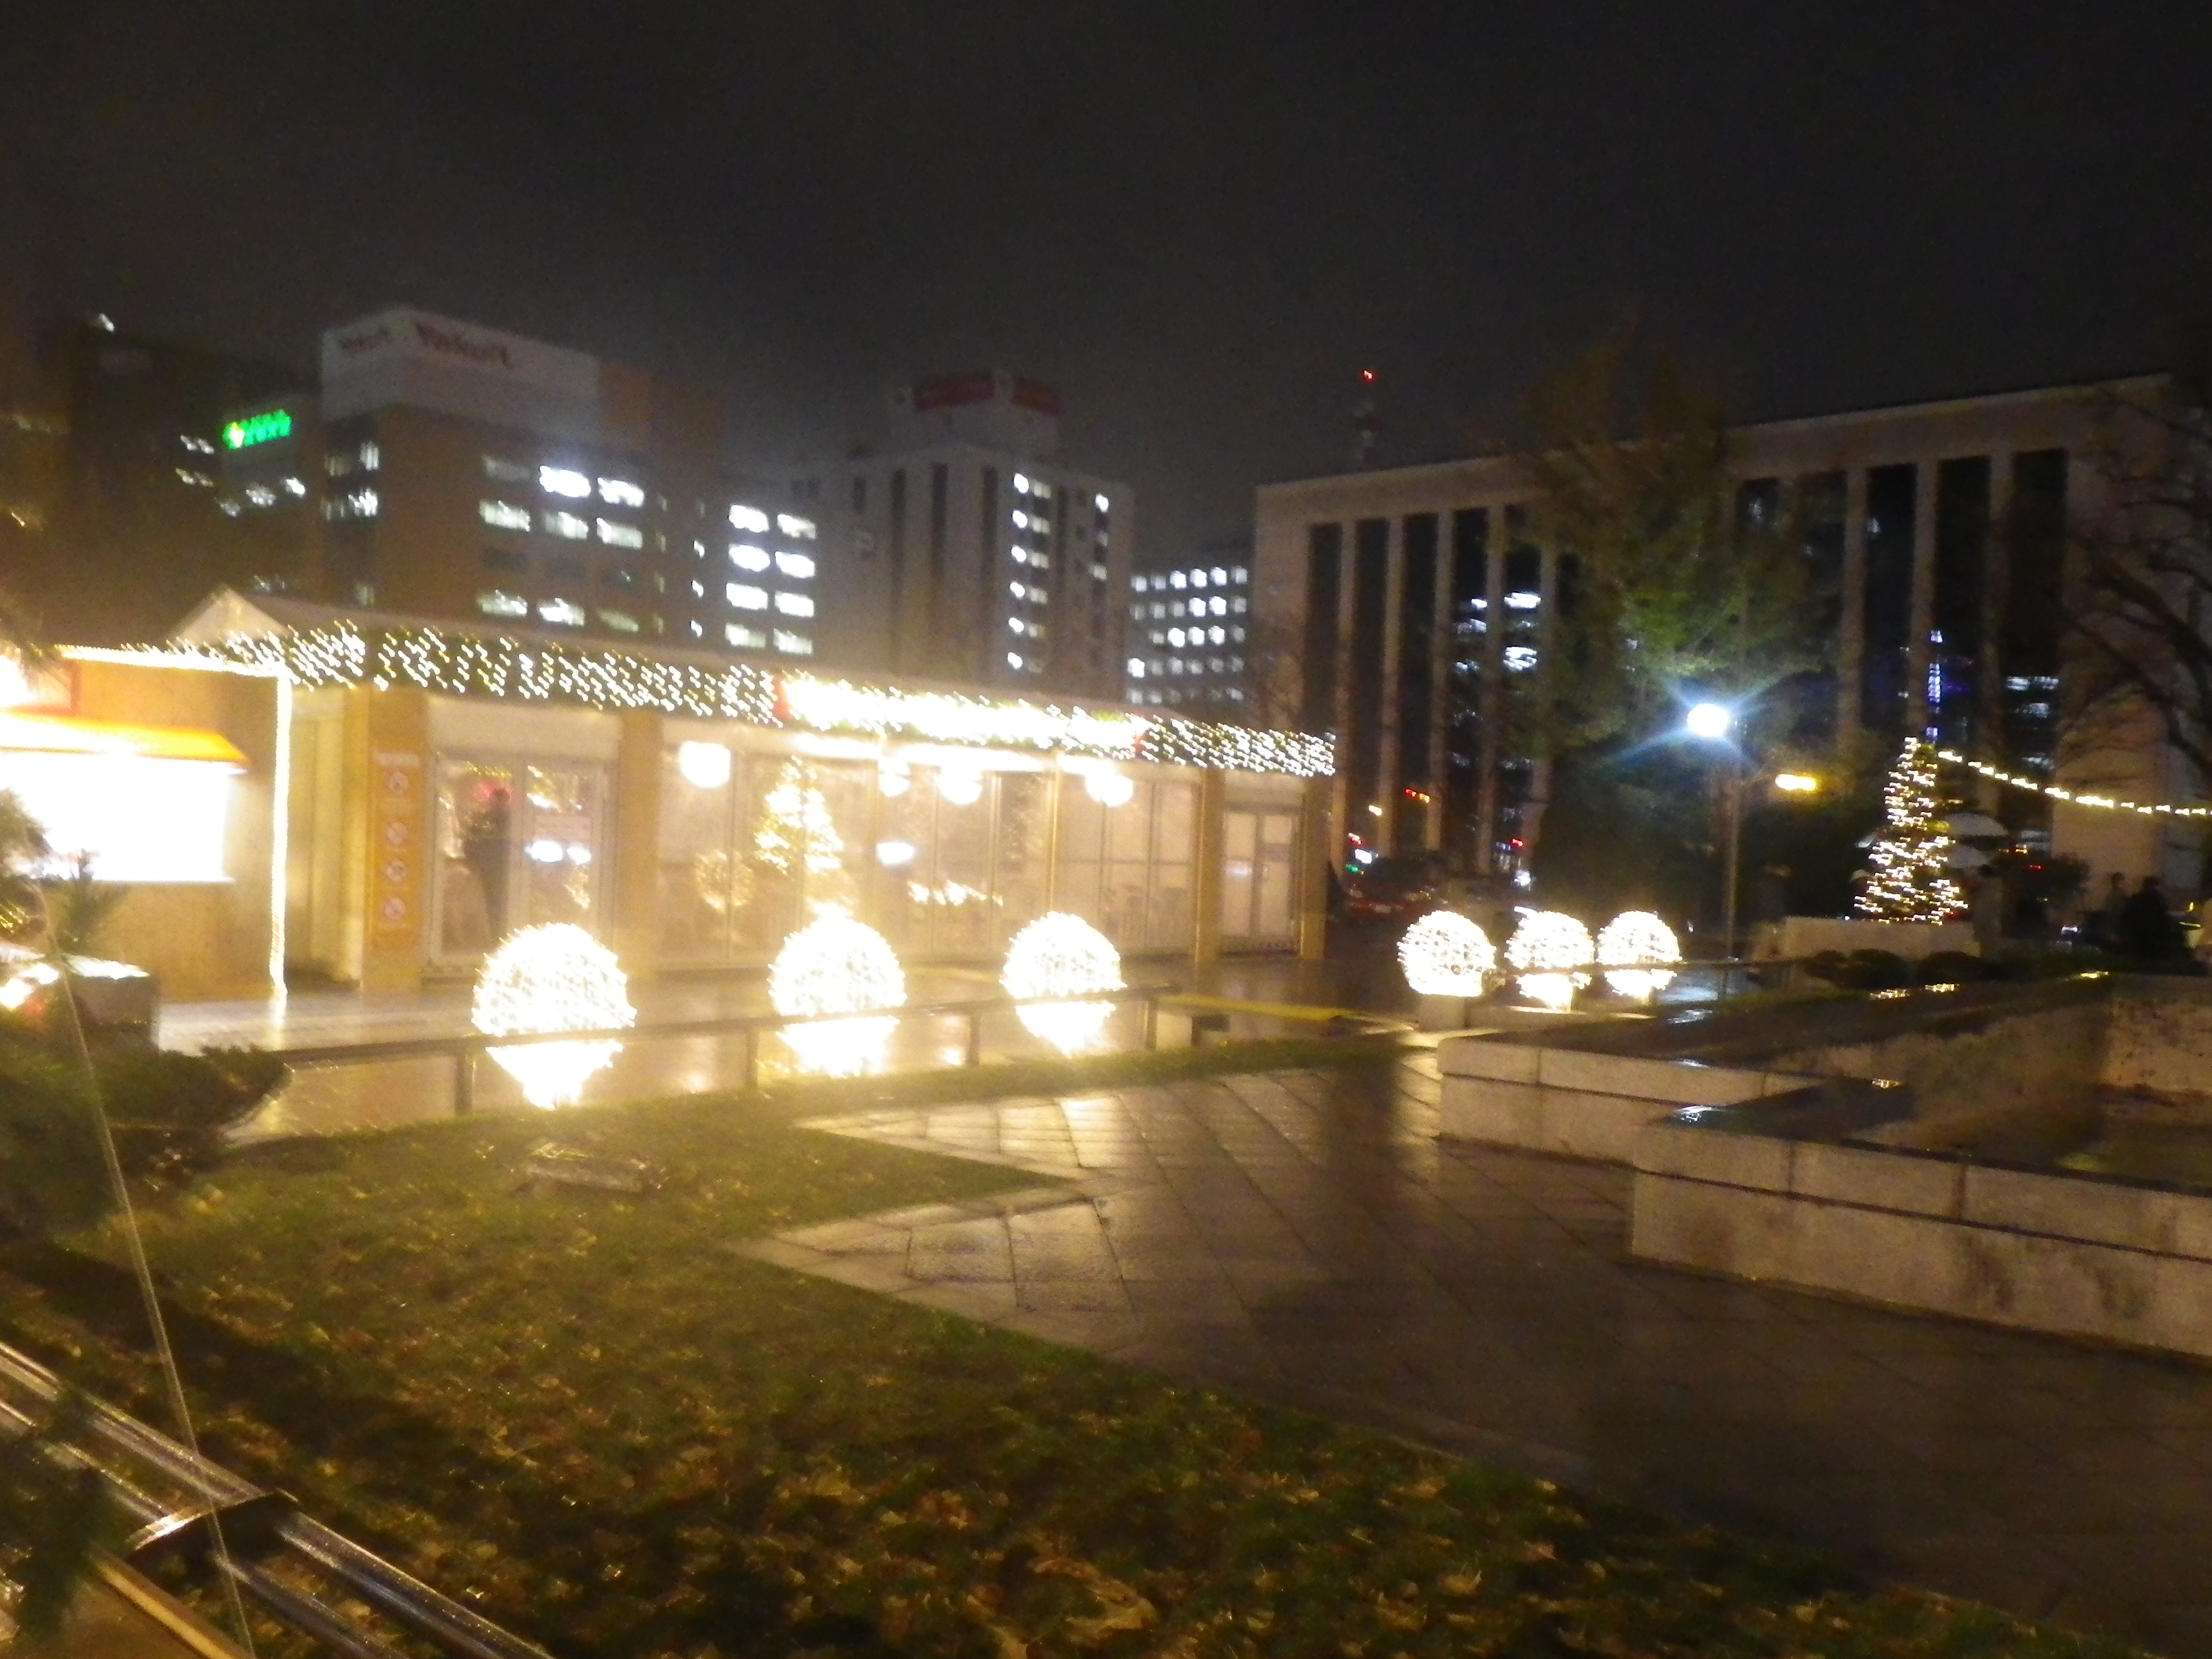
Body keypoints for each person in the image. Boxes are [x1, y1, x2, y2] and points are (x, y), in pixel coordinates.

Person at [2117, 874, 2181, 961]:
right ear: (2155, 886)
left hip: (2138, 934)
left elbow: (2127, 915)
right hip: (2155, 934)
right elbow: (2163, 915)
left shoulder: (2136, 898)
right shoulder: (2159, 900)